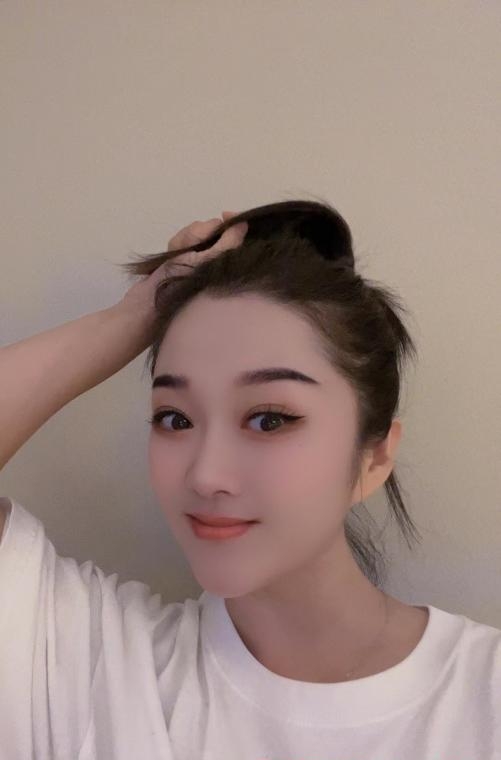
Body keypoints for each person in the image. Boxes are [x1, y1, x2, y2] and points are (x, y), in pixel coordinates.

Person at [0, 200, 499, 759]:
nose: (206, 475)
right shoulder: (97, 670)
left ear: (375, 457)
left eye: (269, 420)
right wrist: (135, 313)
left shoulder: (484, 696)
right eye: (175, 419)